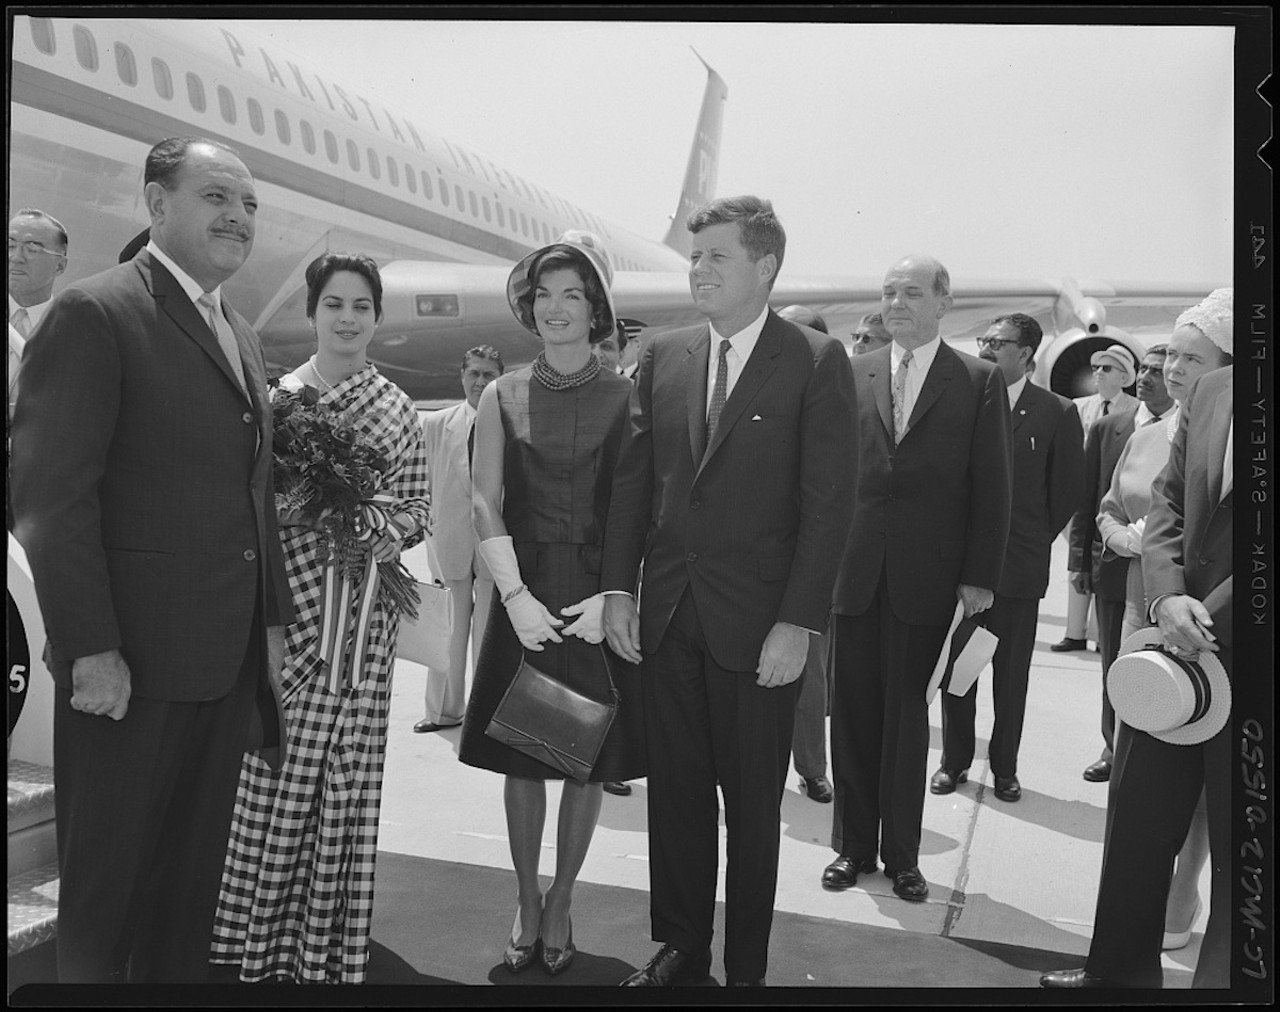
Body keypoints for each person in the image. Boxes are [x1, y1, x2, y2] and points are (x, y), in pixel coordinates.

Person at [10, 137, 292, 983]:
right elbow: (53, 499)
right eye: (215, 197)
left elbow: (254, 494)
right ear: (156, 203)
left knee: (185, 899)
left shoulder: (237, 329)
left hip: (221, 663)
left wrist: (270, 624)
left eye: (247, 204)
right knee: (106, 901)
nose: (237, 216)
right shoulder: (97, 312)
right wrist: (90, 646)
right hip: (126, 669)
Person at [602, 196, 858, 987]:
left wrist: (797, 623)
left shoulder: (814, 360)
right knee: (675, 797)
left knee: (752, 809)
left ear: (765, 267)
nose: (697, 268)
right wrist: (617, 589)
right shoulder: (666, 355)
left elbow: (828, 507)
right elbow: (634, 483)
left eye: (716, 255)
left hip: (758, 631)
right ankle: (681, 944)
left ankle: (745, 964)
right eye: (695, 255)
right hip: (669, 616)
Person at [210, 252, 429, 983]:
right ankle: (255, 938)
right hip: (290, 618)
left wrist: (376, 523)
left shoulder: (395, 406)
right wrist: (306, 509)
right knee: (274, 777)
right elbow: (249, 509)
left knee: (346, 784)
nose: (347, 318)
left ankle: (325, 947)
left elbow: (419, 508)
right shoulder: (276, 401)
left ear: (376, 317)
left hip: (365, 625)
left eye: (362, 306)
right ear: (312, 311)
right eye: (334, 304)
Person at [458, 230, 646, 978]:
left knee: (586, 760)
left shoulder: (630, 397)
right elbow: (483, 497)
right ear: (527, 308)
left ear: (597, 309)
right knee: (525, 759)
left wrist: (618, 595)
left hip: (597, 600)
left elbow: (642, 507)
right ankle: (525, 900)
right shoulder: (502, 394)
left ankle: (563, 897)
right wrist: (514, 597)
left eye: (573, 295)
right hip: (524, 591)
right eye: (543, 295)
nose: (556, 308)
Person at [1041, 289, 1233, 989]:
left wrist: (1200, 609)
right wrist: (1168, 596)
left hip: (1233, 642)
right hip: (1168, 641)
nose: (1174, 367)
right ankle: (1115, 974)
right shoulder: (1200, 407)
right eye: (1172, 354)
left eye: (1193, 355)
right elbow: (1170, 506)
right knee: (1136, 822)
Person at [823, 254, 1011, 903]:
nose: (895, 303)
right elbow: (830, 481)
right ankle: (852, 848)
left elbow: (993, 488)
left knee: (906, 722)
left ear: (942, 302)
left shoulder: (978, 379)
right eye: (887, 292)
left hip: (927, 582)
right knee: (849, 718)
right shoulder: (853, 373)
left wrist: (979, 577)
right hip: (854, 575)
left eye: (910, 293)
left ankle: (903, 854)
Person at [935, 314, 1083, 802]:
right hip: (961, 569)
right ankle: (954, 760)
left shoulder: (1056, 411)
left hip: (1017, 570)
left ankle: (1004, 766)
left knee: (1010, 676)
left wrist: (1027, 540)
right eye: (983, 340)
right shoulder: (963, 399)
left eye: (997, 342)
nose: (985, 349)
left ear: (1026, 353)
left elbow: (1063, 495)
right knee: (959, 668)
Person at [1069, 346, 1174, 783]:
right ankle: (1114, 746)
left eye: (1157, 370)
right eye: (1144, 369)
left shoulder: (1187, 431)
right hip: (1113, 569)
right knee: (1115, 662)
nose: (1147, 377)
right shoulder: (1111, 427)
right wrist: (1080, 560)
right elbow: (1090, 497)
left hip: (1168, 578)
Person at [414, 345, 503, 735]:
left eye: (488, 375)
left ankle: (485, 715)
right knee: (447, 630)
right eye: (474, 374)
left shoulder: (510, 425)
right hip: (447, 542)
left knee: (489, 633)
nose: (480, 382)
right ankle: (443, 712)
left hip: (492, 547)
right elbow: (419, 479)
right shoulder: (435, 424)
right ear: (462, 376)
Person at [775, 303, 836, 804]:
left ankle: (812, 767)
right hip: (745, 566)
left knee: (808, 678)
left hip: (807, 568)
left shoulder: (833, 399)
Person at [1053, 343, 1139, 653]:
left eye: (1107, 368)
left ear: (1124, 376)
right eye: (1096, 368)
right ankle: (1074, 632)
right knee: (1078, 562)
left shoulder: (1134, 410)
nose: (1098, 374)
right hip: (1081, 495)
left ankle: (1102, 636)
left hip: (1114, 497)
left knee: (1106, 564)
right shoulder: (1077, 406)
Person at [8, 209, 68, 421]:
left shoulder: (69, 333)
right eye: (10, 245)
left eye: (32, 249)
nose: (15, 258)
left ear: (60, 265)